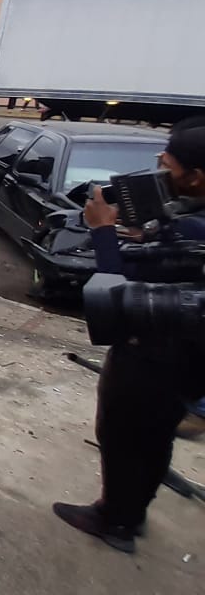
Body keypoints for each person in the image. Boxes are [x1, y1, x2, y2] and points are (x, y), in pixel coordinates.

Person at [53, 118, 205, 554]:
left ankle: (113, 520)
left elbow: (119, 285)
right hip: (185, 360)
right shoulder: (190, 217)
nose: (161, 170)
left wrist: (103, 229)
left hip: (153, 356)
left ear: (195, 177)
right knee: (155, 440)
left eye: (168, 164)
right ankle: (133, 513)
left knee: (121, 436)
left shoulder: (194, 232)